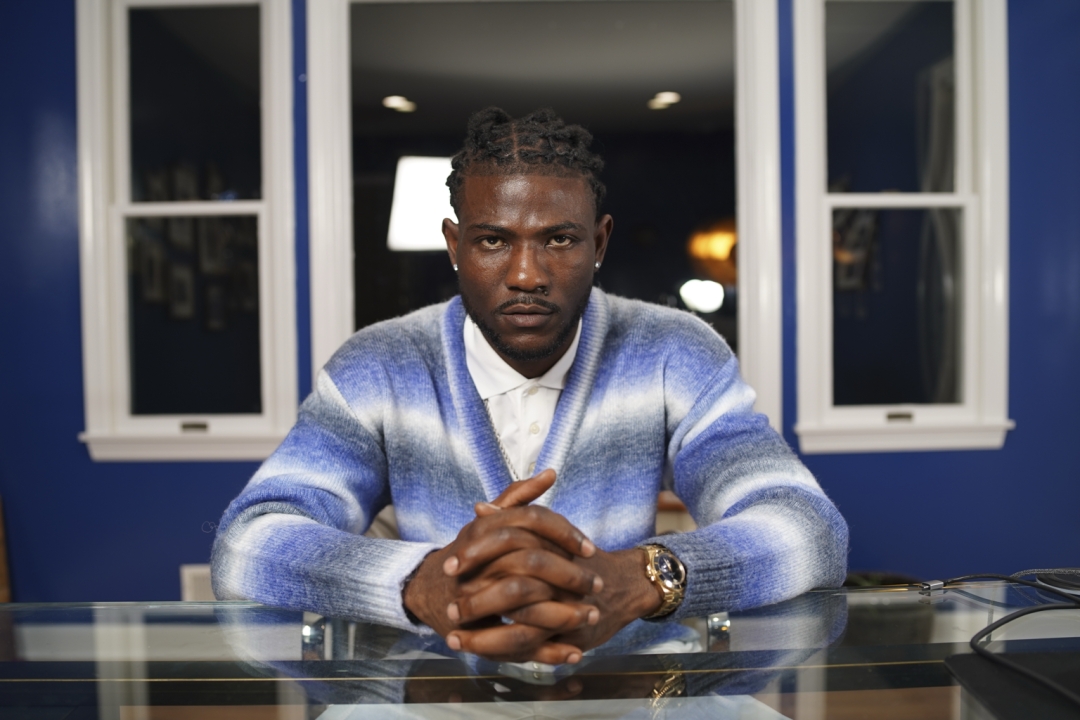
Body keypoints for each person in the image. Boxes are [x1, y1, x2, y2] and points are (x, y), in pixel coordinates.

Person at [211, 107, 848, 666]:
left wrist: (638, 579)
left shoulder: (673, 353)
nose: (526, 275)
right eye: (493, 240)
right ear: (454, 245)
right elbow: (247, 544)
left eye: (559, 239)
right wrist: (420, 582)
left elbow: (809, 529)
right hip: (433, 696)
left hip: (623, 692)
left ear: (599, 242)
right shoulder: (378, 365)